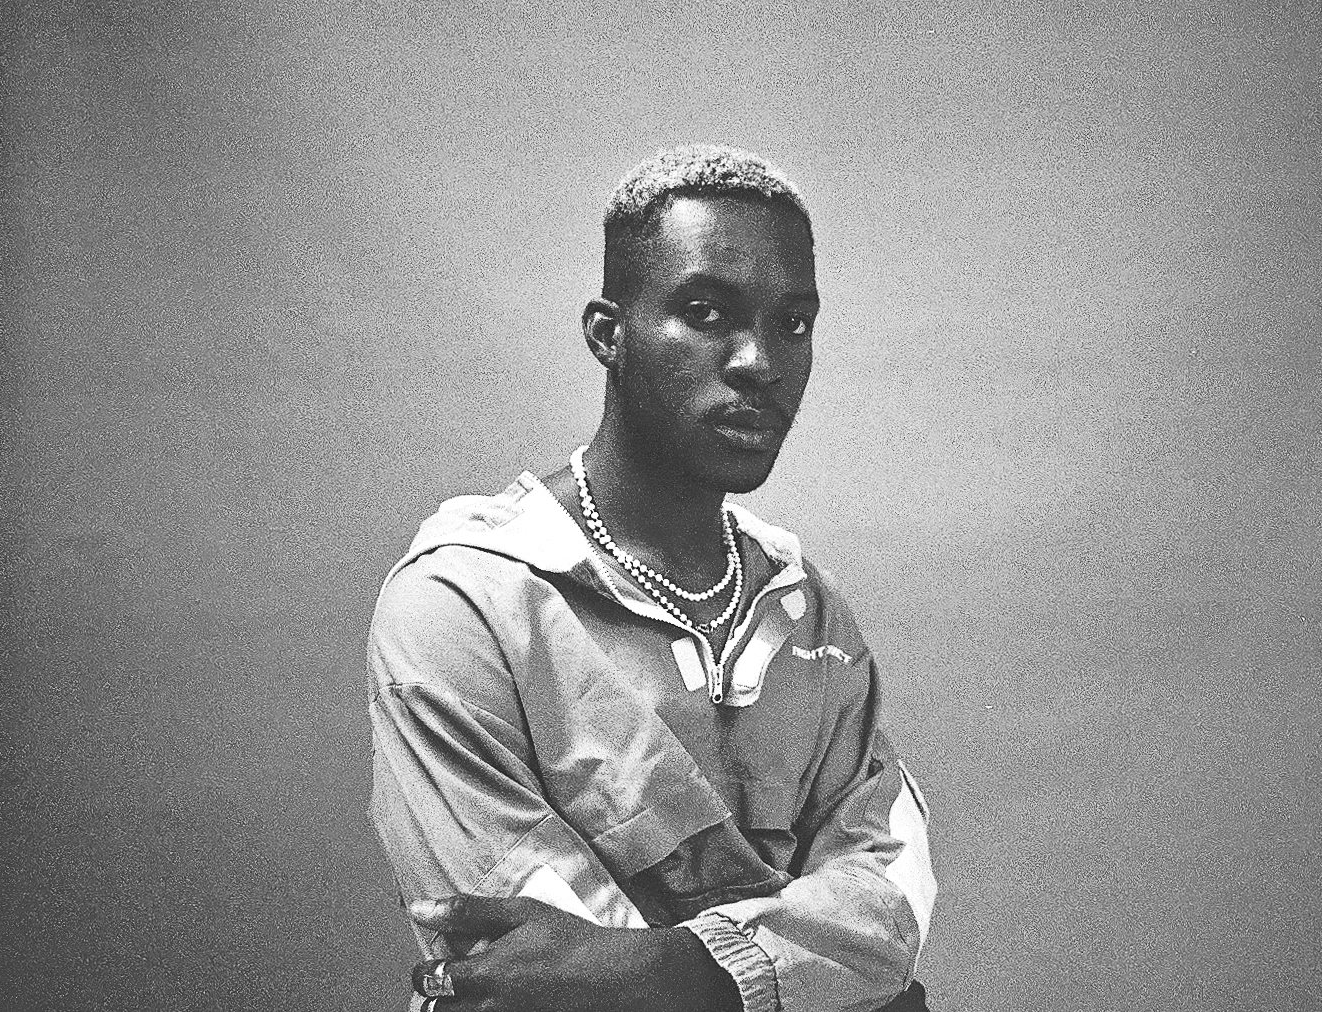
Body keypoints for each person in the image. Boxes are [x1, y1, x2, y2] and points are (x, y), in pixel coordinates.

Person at [366, 144, 936, 1012]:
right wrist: (811, 976)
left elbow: (889, 899)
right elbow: (538, 975)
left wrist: (687, 973)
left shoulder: (806, 607)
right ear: (609, 334)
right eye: (706, 313)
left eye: (792, 323)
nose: (759, 360)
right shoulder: (464, 602)